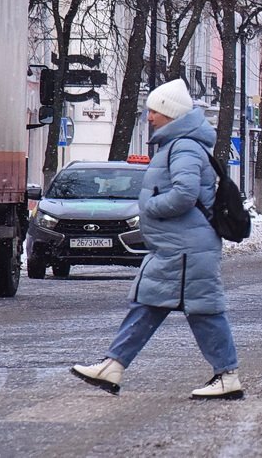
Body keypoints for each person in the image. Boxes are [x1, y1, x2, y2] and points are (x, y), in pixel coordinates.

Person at [71, 78, 243, 400]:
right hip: (180, 248)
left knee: (198, 311)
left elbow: (185, 193)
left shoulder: (184, 147)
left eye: (154, 111)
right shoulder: (178, 145)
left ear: (170, 113)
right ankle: (114, 365)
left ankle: (226, 374)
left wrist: (150, 207)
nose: (149, 117)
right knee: (150, 305)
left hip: (186, 250)